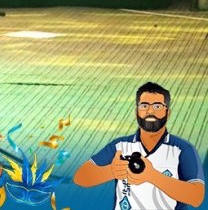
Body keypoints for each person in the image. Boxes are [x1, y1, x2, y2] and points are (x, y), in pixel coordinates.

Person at [73, 82, 205, 209]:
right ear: (136, 111)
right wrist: (112, 171)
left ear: (168, 112)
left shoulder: (183, 150)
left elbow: (197, 197)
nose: (150, 111)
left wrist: (152, 176)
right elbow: (81, 177)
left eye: (157, 106)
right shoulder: (120, 146)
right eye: (144, 105)